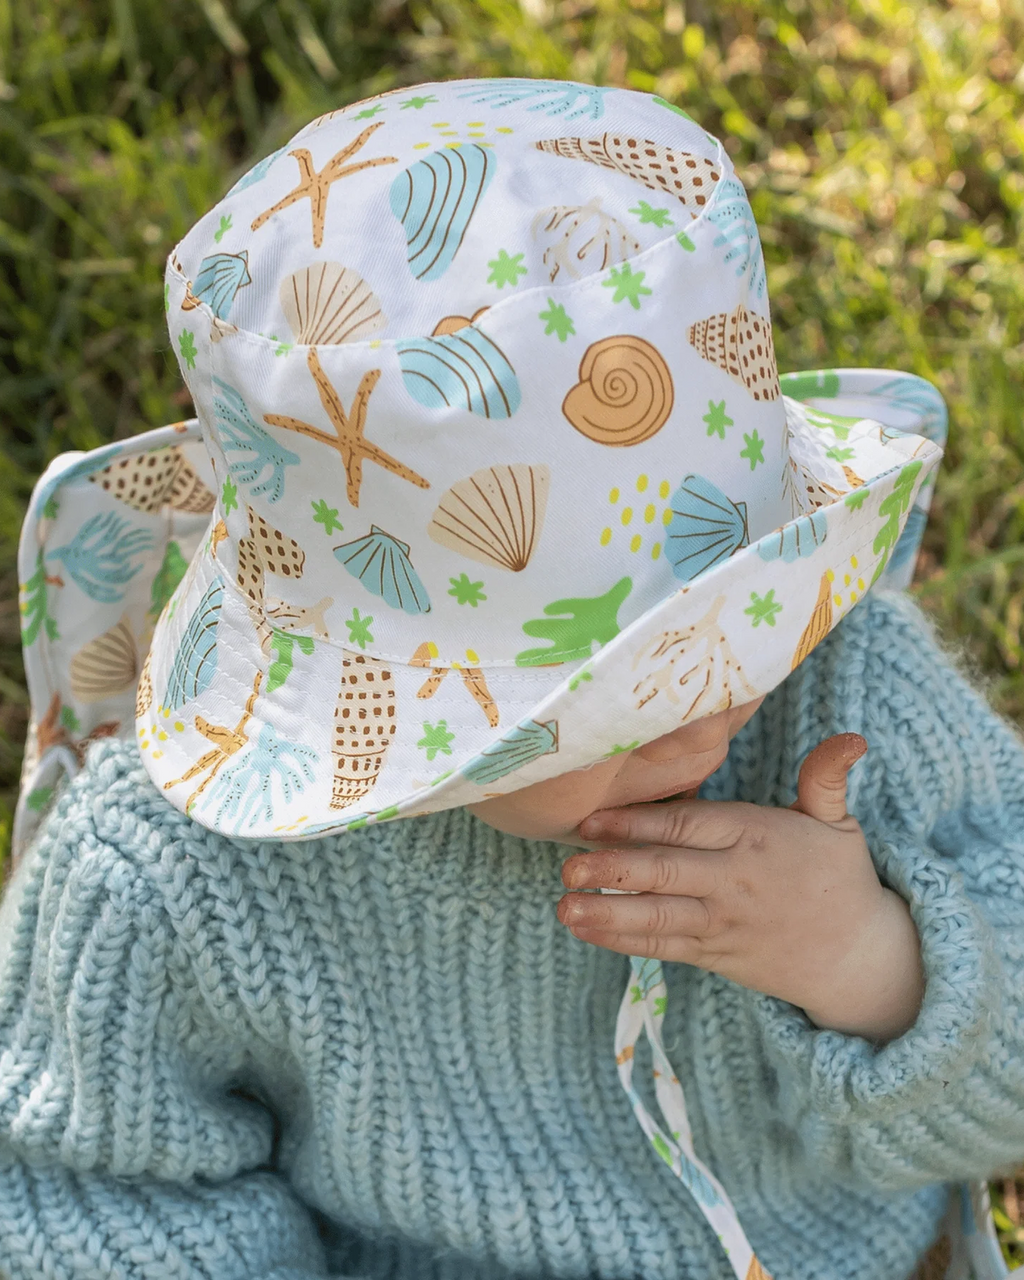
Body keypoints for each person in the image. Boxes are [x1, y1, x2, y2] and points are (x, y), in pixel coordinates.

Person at [1, 77, 1021, 1280]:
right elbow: (93, 1201)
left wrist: (868, 955)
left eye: (737, 614)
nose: (708, 688)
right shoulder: (174, 882)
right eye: (614, 687)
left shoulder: (850, 698)